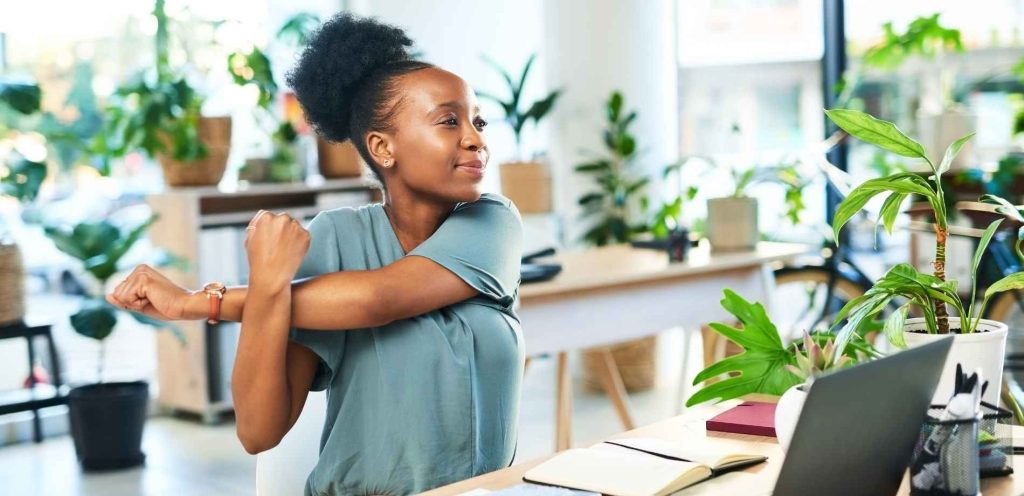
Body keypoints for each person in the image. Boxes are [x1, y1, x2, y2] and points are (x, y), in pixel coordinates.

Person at [106, 12, 524, 495]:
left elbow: (376, 300)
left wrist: (202, 302)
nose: (475, 138)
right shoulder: (336, 240)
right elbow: (258, 432)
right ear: (382, 147)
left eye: (477, 121)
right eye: (449, 121)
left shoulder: (492, 223)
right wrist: (266, 288)